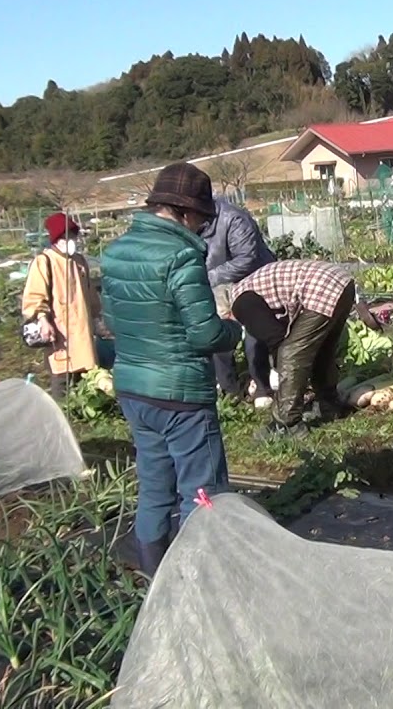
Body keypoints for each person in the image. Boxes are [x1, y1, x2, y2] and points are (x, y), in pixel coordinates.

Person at [101, 162, 243, 577]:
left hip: (133, 388)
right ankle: (198, 579)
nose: (203, 227)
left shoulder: (116, 252)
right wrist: (232, 332)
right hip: (180, 393)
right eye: (201, 217)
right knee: (202, 490)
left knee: (154, 487)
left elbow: (112, 320)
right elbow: (203, 334)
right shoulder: (181, 255)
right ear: (183, 212)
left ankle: (153, 576)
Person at [230, 259, 380, 440]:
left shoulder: (240, 302)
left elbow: (278, 340)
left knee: (291, 352)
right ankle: (328, 405)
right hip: (342, 282)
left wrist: (288, 376)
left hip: (322, 287)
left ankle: (287, 423)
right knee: (322, 350)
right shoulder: (250, 287)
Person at [200, 194, 277, 406]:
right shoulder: (190, 222)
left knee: (255, 336)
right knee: (219, 333)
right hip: (218, 283)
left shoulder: (233, 218)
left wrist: (207, 276)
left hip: (253, 280)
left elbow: (246, 258)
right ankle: (229, 390)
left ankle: (262, 387)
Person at [21, 212, 104, 400]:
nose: (72, 241)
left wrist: (97, 318)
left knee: (86, 374)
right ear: (57, 239)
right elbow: (34, 296)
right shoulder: (45, 262)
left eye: (73, 236)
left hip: (82, 329)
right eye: (67, 237)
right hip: (59, 332)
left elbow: (90, 294)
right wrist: (43, 319)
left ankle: (83, 415)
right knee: (62, 376)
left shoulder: (79, 261)